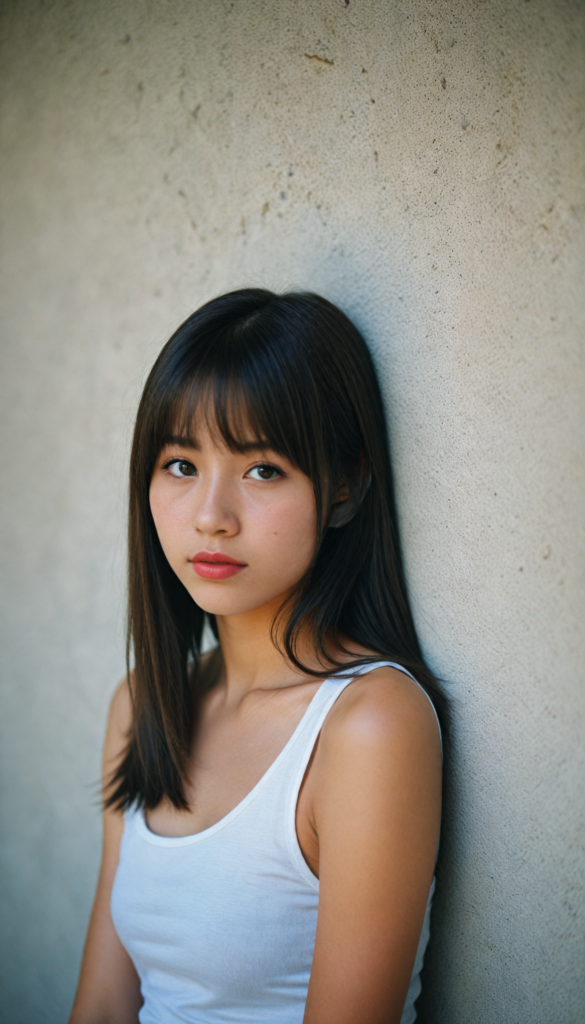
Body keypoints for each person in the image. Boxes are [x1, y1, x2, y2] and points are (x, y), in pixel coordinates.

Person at [69, 289, 445, 1024]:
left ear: (344, 485)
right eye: (180, 464)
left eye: (263, 469)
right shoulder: (143, 705)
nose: (211, 516)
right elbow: (106, 1005)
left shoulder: (369, 727)